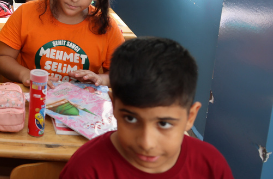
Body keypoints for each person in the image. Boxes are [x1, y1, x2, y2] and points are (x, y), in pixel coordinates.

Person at [60, 37, 234, 178]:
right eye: (131, 119)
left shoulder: (211, 167)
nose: (146, 143)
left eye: (164, 123)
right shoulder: (85, 170)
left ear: (190, 117)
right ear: (113, 105)